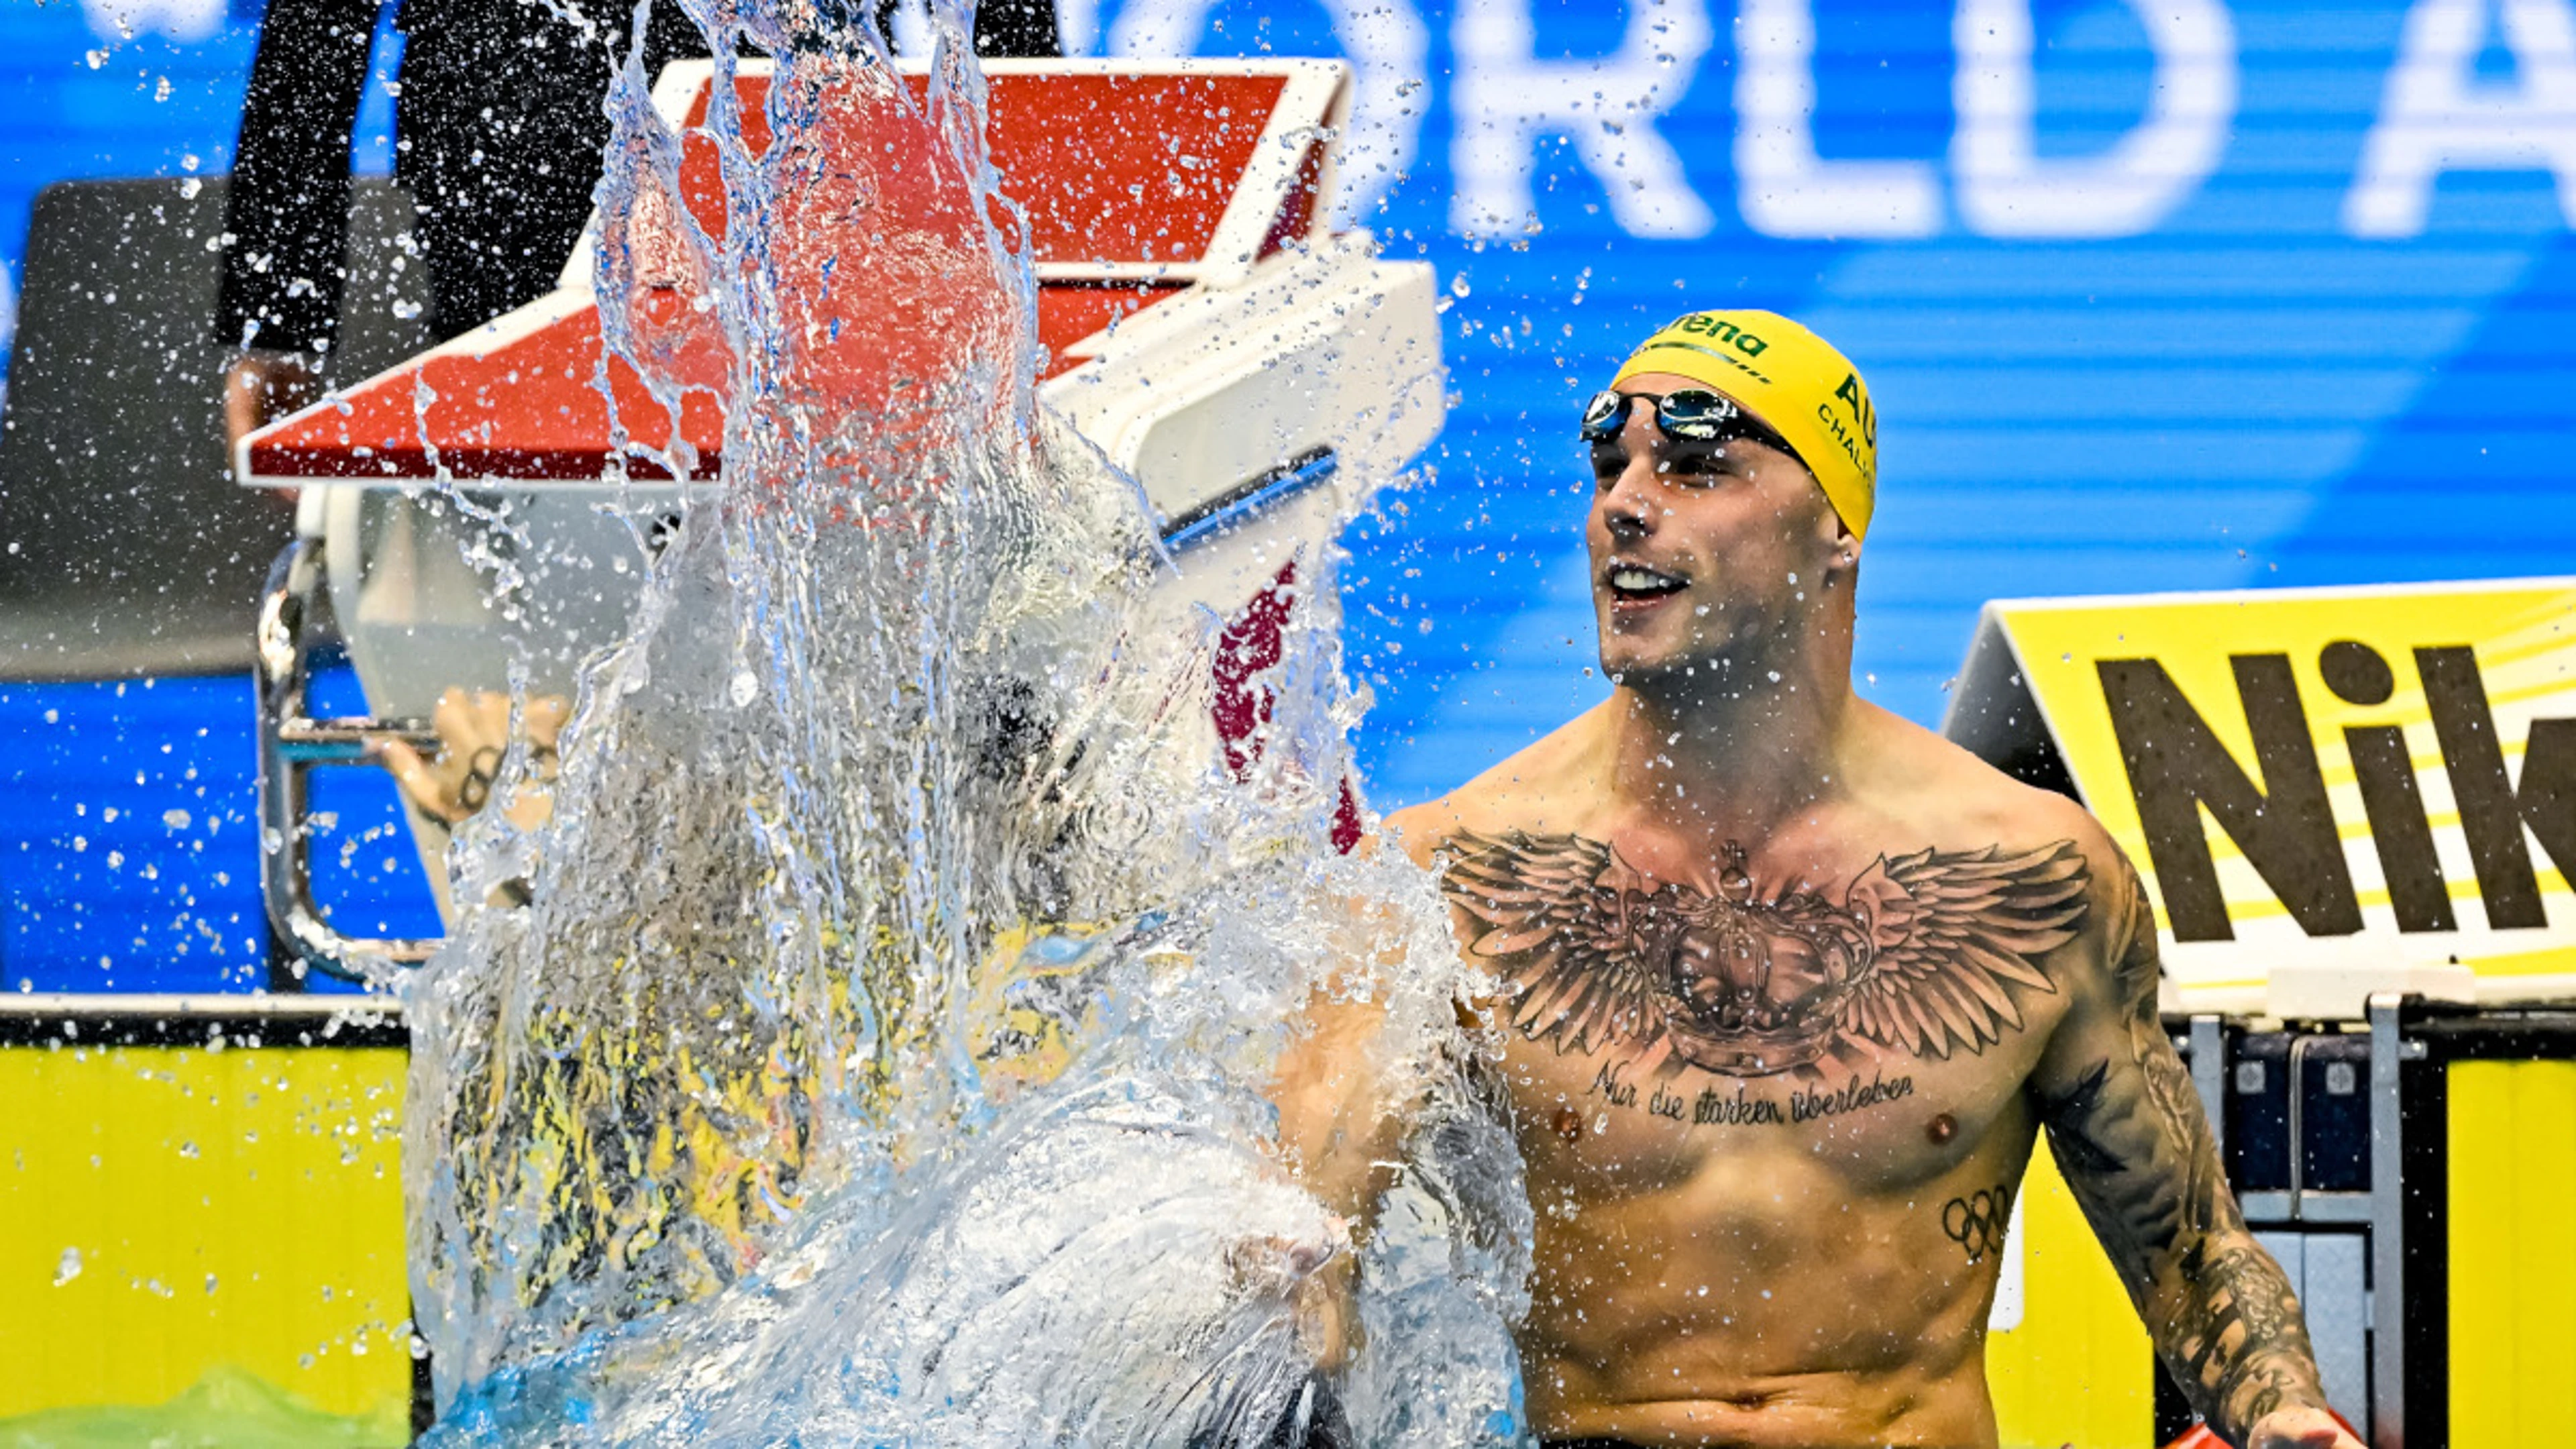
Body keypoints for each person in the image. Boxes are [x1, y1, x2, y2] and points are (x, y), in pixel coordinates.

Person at [1273, 310, 2364, 1448]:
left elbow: (2187, 1253)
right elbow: (1302, 1250)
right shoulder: (1447, 881)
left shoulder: (2033, 874)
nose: (1625, 505)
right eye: (1610, 467)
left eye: (1698, 469)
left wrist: (2283, 1411)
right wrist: (1287, 1275)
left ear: (1836, 526)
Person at [215, 0, 1061, 447]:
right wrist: (275, 313)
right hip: (532, 201)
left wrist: (1054, 266)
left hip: (762, 171)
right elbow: (313, 35)